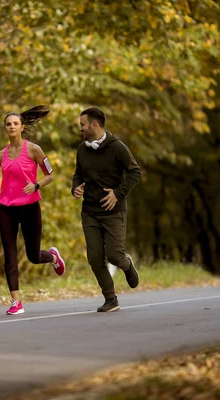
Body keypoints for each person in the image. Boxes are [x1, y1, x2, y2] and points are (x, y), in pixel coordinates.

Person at [0, 105, 66, 315]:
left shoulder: (34, 150)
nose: (12, 127)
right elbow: (7, 183)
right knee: (9, 255)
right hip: (7, 210)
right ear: (5, 128)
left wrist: (36, 185)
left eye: (15, 124)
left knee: (33, 256)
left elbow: (50, 174)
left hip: (30, 208)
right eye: (8, 124)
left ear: (22, 127)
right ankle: (16, 301)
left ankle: (53, 257)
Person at [71, 107, 142, 312]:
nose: (80, 129)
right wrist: (75, 187)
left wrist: (118, 193)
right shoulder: (82, 149)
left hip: (114, 211)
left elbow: (135, 173)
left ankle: (126, 263)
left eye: (83, 125)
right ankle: (110, 298)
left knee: (114, 256)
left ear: (95, 125)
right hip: (90, 211)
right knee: (94, 257)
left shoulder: (117, 147)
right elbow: (78, 174)